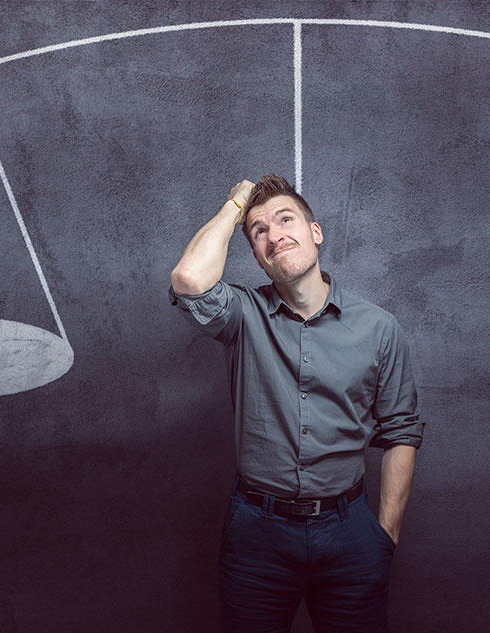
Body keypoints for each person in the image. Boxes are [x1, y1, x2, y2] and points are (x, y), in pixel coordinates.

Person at [169, 174, 424, 632]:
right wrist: (237, 203)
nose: (274, 235)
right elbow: (189, 278)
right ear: (254, 254)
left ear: (315, 232)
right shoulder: (242, 314)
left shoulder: (380, 328)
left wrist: (385, 534)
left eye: (286, 220)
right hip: (256, 534)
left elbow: (401, 430)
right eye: (259, 231)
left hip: (350, 532)